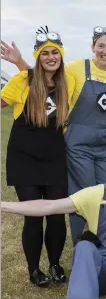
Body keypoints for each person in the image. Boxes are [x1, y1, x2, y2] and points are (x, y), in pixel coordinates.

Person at [1, 26, 106, 245]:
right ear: (92, 47)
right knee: (84, 196)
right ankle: (82, 246)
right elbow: (43, 76)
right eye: (101, 46)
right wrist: (20, 62)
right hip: (77, 145)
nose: (105, 51)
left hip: (105, 146)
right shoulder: (77, 67)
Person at [1, 150, 106, 299]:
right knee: (83, 247)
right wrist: (3, 206)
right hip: (102, 271)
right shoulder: (94, 195)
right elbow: (49, 206)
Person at [1, 27, 75, 287]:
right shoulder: (21, 80)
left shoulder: (69, 82)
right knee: (33, 214)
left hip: (54, 157)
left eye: (56, 52)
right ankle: (34, 269)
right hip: (24, 157)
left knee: (56, 213)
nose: (51, 57)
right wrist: (19, 64)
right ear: (38, 56)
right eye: (45, 53)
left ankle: (55, 264)